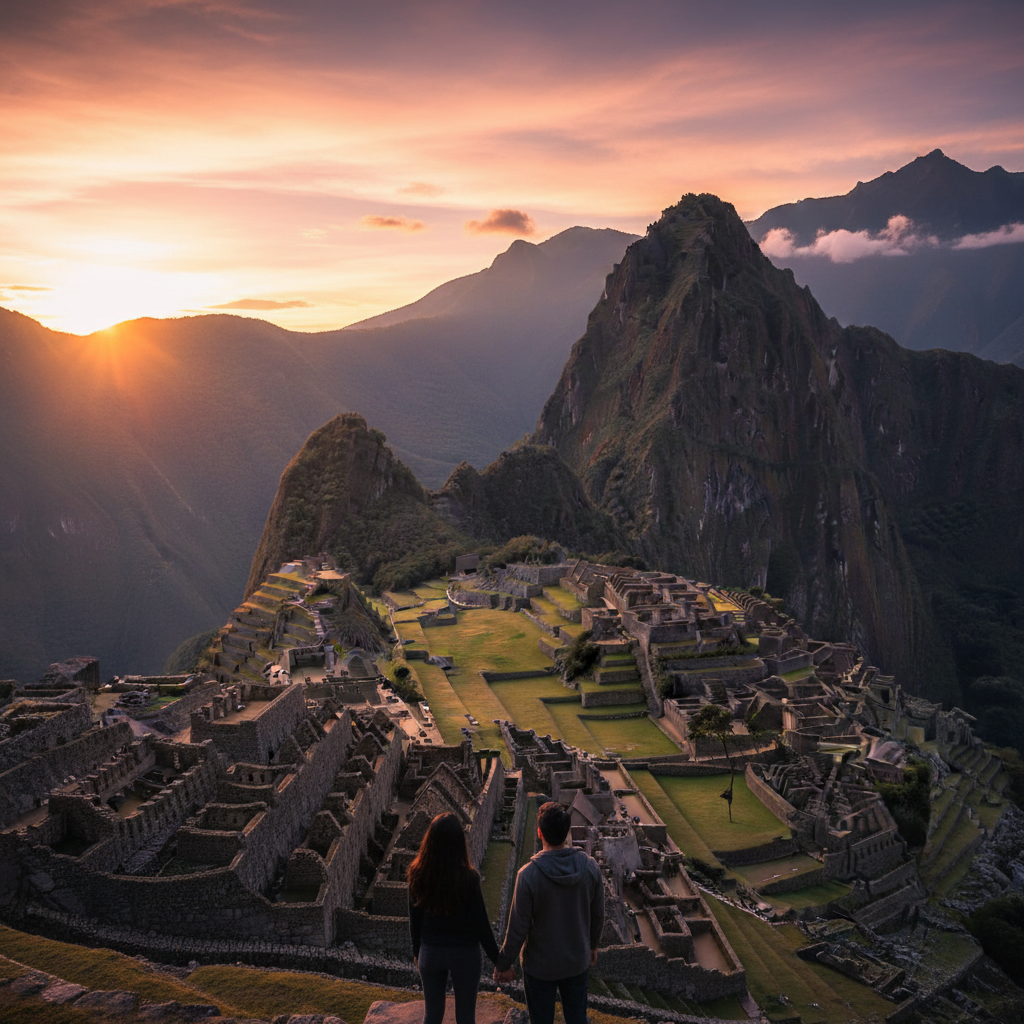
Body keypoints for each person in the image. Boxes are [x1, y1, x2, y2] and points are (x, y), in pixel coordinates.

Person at [493, 801, 604, 1024]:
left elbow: (517, 929)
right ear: (567, 832)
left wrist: (503, 964)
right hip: (576, 961)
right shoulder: (589, 867)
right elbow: (598, 914)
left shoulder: (528, 875)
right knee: (577, 1019)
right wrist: (592, 945)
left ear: (539, 832)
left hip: (540, 967)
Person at [408, 812, 501, 1024]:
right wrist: (499, 961)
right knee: (466, 1017)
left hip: (430, 951)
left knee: (432, 1014)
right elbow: (481, 925)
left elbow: (415, 919)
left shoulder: (417, 873)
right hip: (464, 953)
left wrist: (417, 952)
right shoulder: (468, 878)